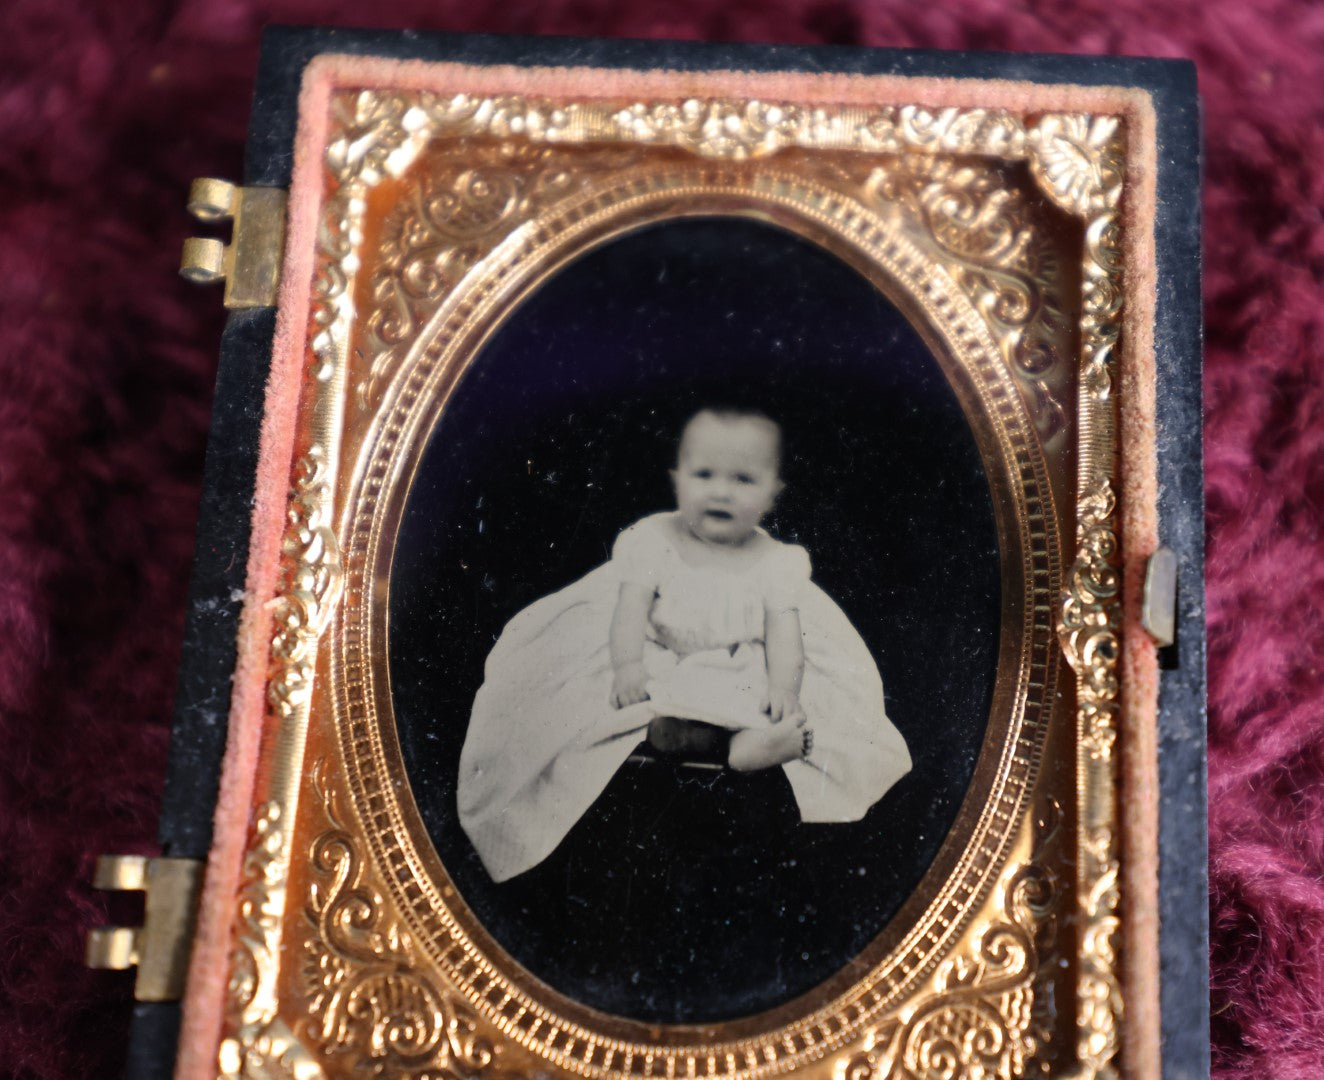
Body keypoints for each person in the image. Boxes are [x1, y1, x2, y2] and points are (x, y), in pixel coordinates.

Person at [457, 406, 912, 886]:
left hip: (738, 654)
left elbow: (785, 637)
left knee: (763, 698)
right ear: (678, 480)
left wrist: (784, 687)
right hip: (658, 647)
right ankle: (689, 736)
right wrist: (628, 665)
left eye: (742, 479)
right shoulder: (654, 540)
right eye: (704, 475)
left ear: (771, 495)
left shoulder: (775, 563)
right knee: (603, 698)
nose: (720, 491)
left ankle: (743, 747)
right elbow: (628, 614)